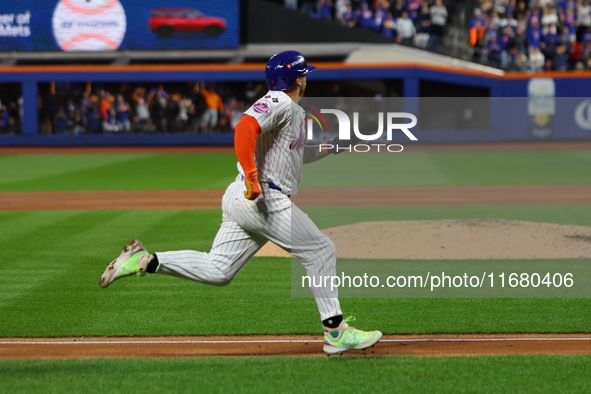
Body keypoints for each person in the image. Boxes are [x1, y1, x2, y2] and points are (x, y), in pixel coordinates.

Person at [100, 51, 382, 356]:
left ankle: (146, 260)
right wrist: (252, 178)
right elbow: (244, 128)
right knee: (320, 250)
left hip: (242, 199)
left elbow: (296, 152)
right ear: (296, 79)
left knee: (219, 269)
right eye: (304, 74)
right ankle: (336, 333)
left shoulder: (290, 111)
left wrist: (333, 146)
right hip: (264, 199)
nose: (305, 78)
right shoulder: (280, 101)